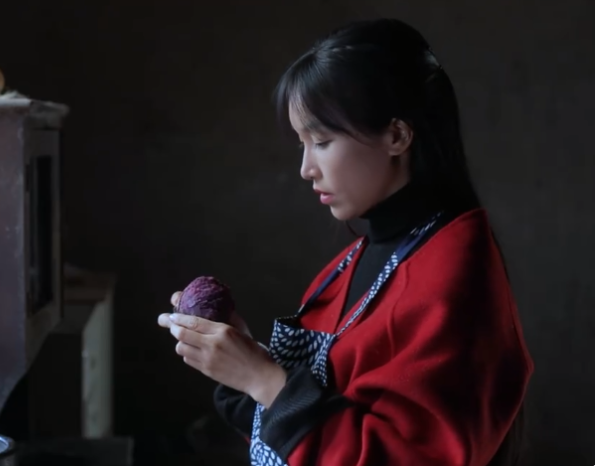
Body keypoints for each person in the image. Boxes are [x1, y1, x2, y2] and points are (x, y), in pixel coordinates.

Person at [158, 18, 534, 466]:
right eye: (301, 143)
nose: (305, 169)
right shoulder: (353, 261)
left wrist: (264, 381)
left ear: (396, 135)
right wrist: (238, 364)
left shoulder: (454, 277)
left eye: (321, 140)